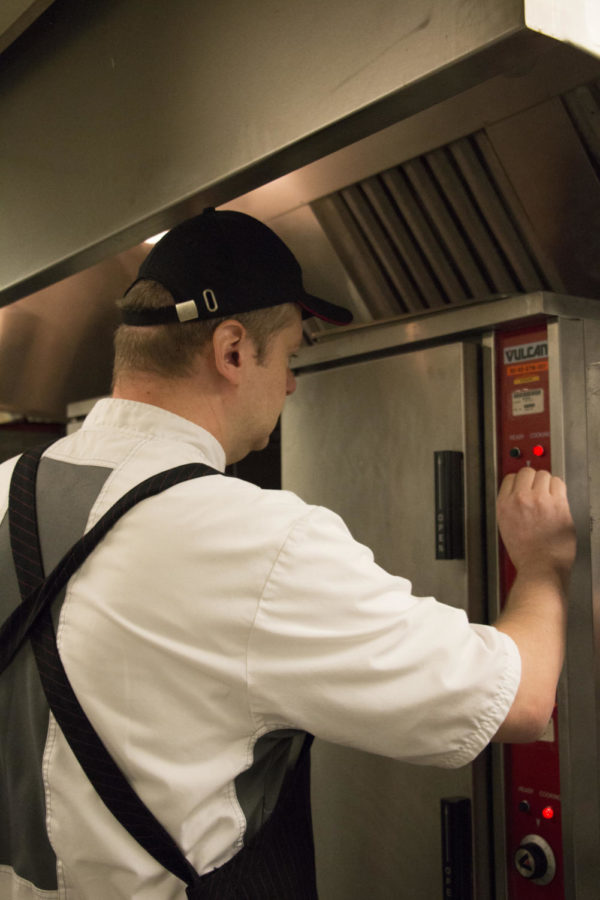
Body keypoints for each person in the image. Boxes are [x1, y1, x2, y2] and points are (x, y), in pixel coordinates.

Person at [0, 208, 576, 900]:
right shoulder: (253, 540)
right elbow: (517, 700)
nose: (294, 385)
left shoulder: (4, 488)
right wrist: (541, 566)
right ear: (234, 350)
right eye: (292, 356)